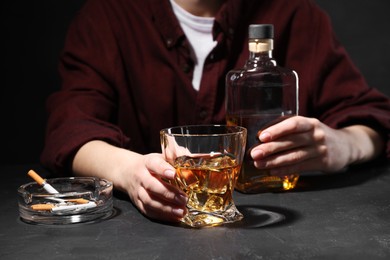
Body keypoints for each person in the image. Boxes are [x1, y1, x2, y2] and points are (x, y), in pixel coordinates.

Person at [41, 0, 390, 223]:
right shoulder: (107, 16)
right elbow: (71, 128)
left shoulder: (298, 16)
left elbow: (374, 117)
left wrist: (345, 146)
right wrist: (129, 171)